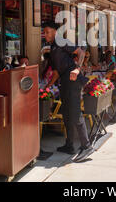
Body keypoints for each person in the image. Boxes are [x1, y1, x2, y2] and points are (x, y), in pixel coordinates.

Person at [42, 21, 94, 163]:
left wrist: (77, 69)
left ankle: (86, 145)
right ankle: (69, 145)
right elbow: (57, 71)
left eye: (47, 31)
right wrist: (49, 85)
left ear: (54, 31)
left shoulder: (61, 41)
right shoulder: (52, 47)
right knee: (66, 113)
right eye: (44, 32)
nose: (45, 34)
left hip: (73, 80)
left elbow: (80, 52)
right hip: (64, 82)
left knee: (75, 113)